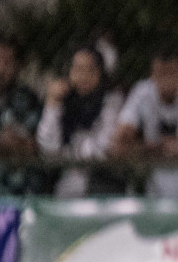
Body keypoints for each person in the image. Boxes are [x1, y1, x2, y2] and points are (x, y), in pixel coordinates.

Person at [110, 48, 178, 198]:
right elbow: (121, 139)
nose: (165, 79)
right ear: (152, 74)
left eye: (171, 72)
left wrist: (150, 148)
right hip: (153, 184)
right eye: (160, 73)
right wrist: (158, 147)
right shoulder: (142, 92)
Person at [38, 46, 126, 197]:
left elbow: (104, 147)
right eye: (78, 69)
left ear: (101, 73)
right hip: (63, 188)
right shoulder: (62, 101)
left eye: (91, 69)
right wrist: (52, 104)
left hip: (102, 186)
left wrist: (67, 155)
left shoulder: (112, 100)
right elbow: (48, 148)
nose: (84, 75)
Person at [0, 34, 43, 196]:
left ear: (17, 67)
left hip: (17, 196)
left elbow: (28, 147)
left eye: (6, 63)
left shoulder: (27, 100)